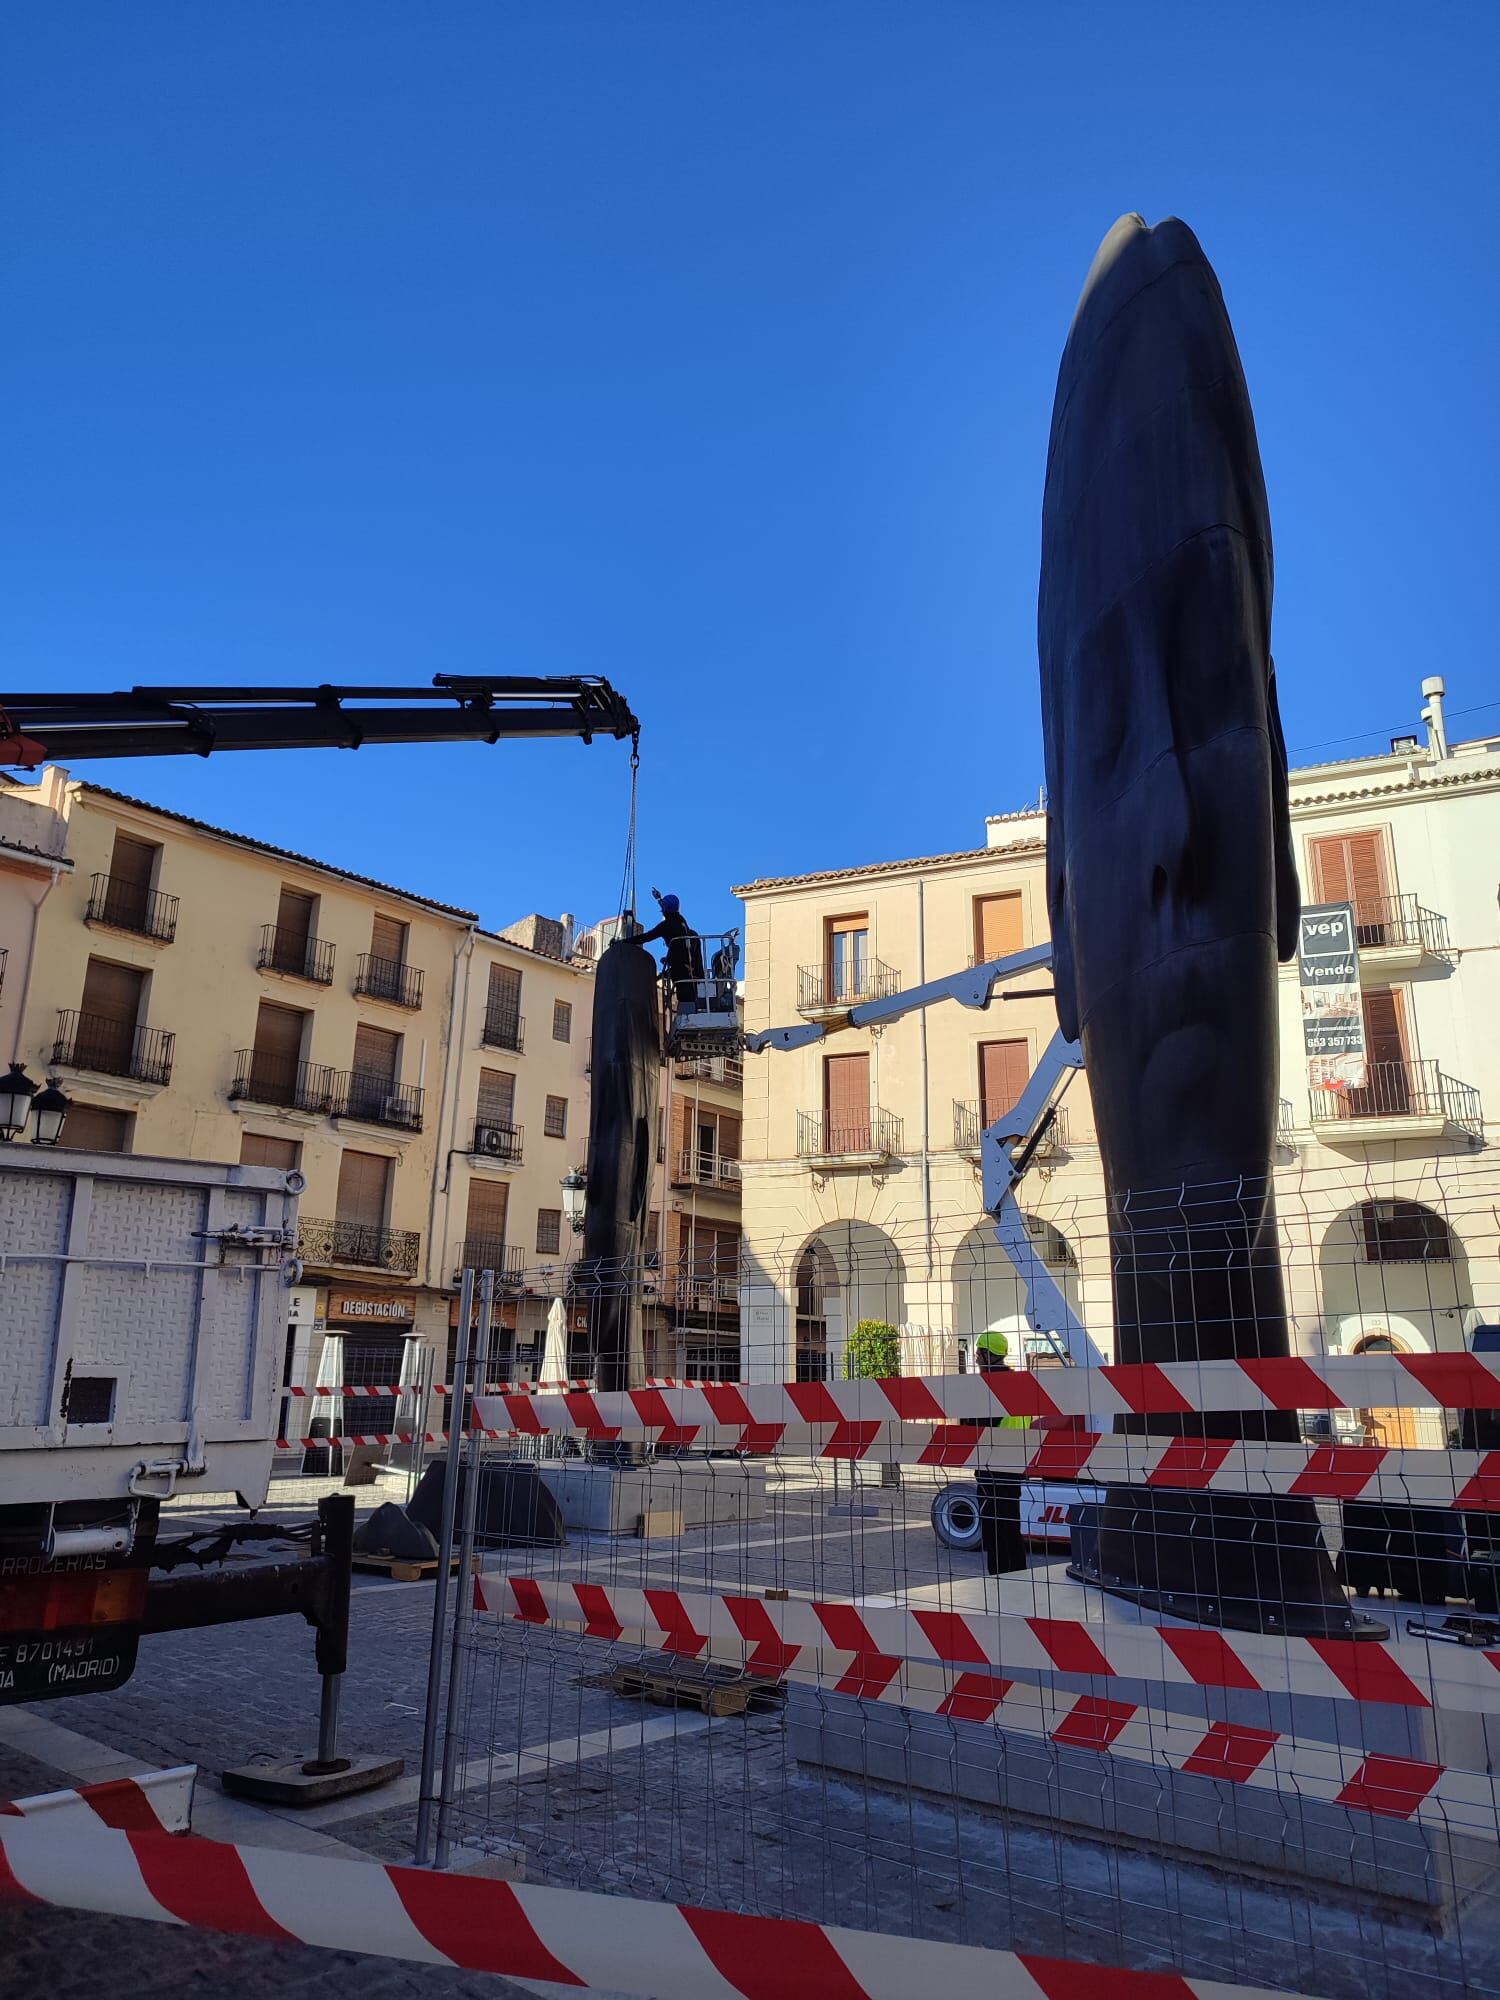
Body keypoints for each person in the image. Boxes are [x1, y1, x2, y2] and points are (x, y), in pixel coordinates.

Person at [974, 1326, 1028, 1576]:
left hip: (993, 1467)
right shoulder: (1018, 1383)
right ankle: (1017, 1577)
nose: (975, 1357)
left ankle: (999, 1582)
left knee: (995, 1532)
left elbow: (975, 1427)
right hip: (1015, 1467)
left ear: (988, 1355)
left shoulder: (990, 1387)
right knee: (1011, 1527)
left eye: (978, 1352)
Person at [638, 893, 705, 1006]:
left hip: (685, 983)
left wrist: (623, 941)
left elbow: (646, 937)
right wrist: (659, 899)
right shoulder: (683, 924)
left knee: (686, 1003)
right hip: (696, 976)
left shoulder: (667, 926)